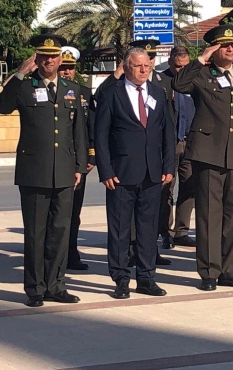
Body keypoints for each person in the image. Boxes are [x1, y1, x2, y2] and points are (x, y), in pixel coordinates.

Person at [0, 32, 87, 307]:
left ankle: (56, 285)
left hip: (64, 169)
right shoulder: (25, 86)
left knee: (60, 231)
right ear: (37, 58)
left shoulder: (72, 89)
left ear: (61, 58)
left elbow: (78, 131)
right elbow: (2, 105)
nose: (49, 61)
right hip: (34, 170)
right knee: (36, 232)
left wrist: (80, 166)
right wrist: (21, 73)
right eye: (43, 56)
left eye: (53, 56)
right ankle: (35, 288)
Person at [172, 25, 233, 291]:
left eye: (232, 45)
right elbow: (179, 84)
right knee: (210, 215)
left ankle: (232, 270)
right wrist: (200, 59)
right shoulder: (201, 75)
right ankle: (209, 271)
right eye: (223, 45)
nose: (230, 49)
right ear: (213, 49)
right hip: (208, 153)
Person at [95, 46, 175, 299]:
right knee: (119, 230)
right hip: (121, 173)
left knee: (148, 228)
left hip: (152, 172)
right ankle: (120, 278)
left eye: (147, 66)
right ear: (126, 66)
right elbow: (101, 136)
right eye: (138, 66)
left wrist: (168, 166)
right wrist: (105, 169)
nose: (144, 70)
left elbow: (167, 133)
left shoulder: (158, 93)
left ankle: (146, 277)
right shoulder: (112, 93)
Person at [57, 46, 96, 270]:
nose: (66, 72)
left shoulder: (84, 93)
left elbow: (90, 127)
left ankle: (71, 253)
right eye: (63, 67)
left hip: (77, 162)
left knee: (74, 213)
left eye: (70, 68)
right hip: (56, 159)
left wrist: (91, 157)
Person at [160, 46, 196, 247]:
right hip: (169, 144)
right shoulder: (161, 81)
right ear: (170, 62)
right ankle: (166, 232)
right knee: (167, 188)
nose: (181, 70)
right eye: (177, 66)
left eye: (185, 66)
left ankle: (182, 231)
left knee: (189, 186)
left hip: (190, 142)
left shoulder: (194, 80)